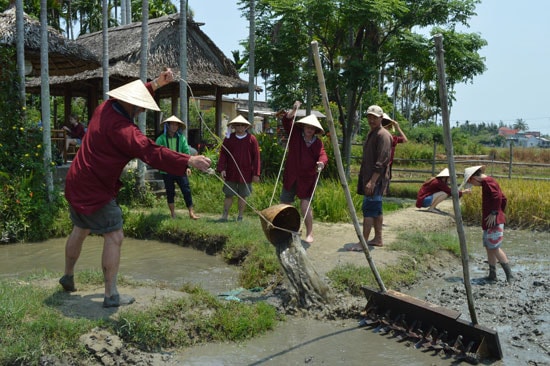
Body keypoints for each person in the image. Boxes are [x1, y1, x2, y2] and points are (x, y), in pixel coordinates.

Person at [59, 70, 212, 308]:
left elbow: (135, 100)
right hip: (95, 187)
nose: (142, 110)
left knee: (80, 228)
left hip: (76, 179)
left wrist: (157, 84)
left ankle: (68, 276)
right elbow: (151, 151)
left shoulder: (105, 107)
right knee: (115, 234)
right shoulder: (125, 130)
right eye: (140, 106)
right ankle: (111, 295)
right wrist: (188, 161)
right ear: (130, 104)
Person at [279, 101, 328, 244]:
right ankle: (288, 230)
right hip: (291, 175)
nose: (309, 130)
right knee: (285, 204)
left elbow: (323, 155)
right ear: (304, 127)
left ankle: (310, 233)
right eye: (307, 127)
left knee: (305, 205)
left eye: (312, 128)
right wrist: (294, 109)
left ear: (315, 130)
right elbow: (286, 121)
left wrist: (321, 163)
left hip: (307, 178)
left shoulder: (318, 143)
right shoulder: (295, 134)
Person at [348, 105, 392, 251]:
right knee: (376, 210)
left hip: (375, 180)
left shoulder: (383, 135)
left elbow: (382, 161)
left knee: (369, 210)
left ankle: (363, 242)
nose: (371, 120)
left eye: (374, 117)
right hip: (371, 178)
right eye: (369, 117)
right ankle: (378, 238)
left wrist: (372, 181)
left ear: (381, 118)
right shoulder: (373, 133)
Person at [462, 165, 513, 283]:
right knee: (489, 247)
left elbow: (498, 197)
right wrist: (499, 212)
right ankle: (492, 275)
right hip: (490, 221)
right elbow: (503, 198)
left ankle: (510, 276)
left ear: (473, 178)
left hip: (494, 221)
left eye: (471, 183)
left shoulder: (488, 182)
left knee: (494, 247)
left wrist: (495, 213)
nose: (474, 186)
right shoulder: (487, 183)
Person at [216, 115, 261, 222]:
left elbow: (257, 158)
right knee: (228, 194)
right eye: (238, 125)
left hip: (246, 173)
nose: (240, 127)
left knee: (242, 195)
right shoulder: (228, 139)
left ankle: (240, 216)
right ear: (234, 127)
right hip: (231, 172)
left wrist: (256, 173)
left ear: (246, 127)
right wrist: (222, 169)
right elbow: (223, 155)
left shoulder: (252, 139)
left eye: (242, 125)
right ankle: (224, 216)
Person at [155, 115, 199, 220]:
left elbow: (186, 153)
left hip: (180, 169)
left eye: (176, 124)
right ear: (167, 125)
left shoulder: (181, 138)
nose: (174, 126)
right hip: (167, 170)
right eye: (172, 124)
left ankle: (191, 212)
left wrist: (188, 167)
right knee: (170, 191)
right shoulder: (161, 139)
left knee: (186, 190)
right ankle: (173, 214)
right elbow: (156, 153)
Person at [382, 113, 407, 194]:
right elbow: (405, 140)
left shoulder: (390, 137)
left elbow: (404, 140)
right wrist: (397, 127)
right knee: (382, 187)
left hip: (384, 165)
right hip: (384, 165)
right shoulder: (390, 137)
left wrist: (397, 127)